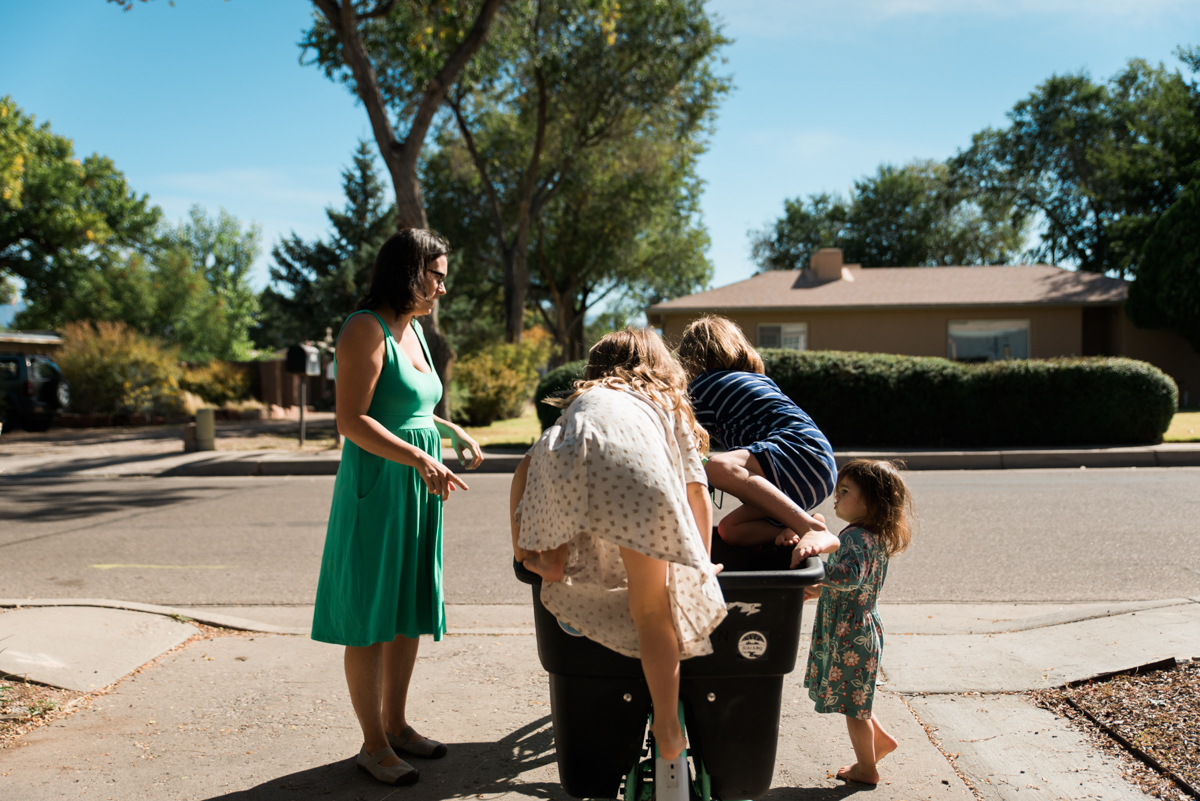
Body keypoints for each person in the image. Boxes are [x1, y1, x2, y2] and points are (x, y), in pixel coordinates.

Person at [311, 229, 484, 787]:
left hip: (418, 481)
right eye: (435, 276)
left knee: (407, 604)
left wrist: (449, 428)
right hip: (381, 483)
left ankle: (399, 725)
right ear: (407, 271)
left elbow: (410, 405)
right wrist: (417, 457)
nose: (440, 287)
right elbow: (352, 419)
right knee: (370, 615)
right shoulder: (365, 327)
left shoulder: (417, 332)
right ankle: (373, 744)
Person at [510, 329, 724, 761]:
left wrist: (521, 546)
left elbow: (525, 470)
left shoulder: (584, 400)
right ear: (662, 368)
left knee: (559, 494)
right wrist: (699, 562)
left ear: (596, 368)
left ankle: (547, 557)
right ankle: (667, 727)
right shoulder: (663, 405)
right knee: (651, 610)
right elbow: (696, 490)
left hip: (565, 460)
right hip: (637, 477)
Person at [676, 315, 840, 566]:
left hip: (798, 452)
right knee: (730, 530)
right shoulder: (751, 380)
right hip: (817, 465)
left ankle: (810, 528)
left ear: (691, 358)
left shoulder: (705, 386)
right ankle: (799, 526)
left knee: (718, 467)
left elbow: (674, 436)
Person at [804, 459, 914, 785]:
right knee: (855, 698)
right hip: (858, 628)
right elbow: (857, 581)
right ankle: (880, 741)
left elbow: (850, 577)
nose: (836, 497)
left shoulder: (854, 537)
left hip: (851, 634)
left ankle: (866, 769)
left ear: (871, 501)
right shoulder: (871, 535)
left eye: (845, 491)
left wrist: (815, 571)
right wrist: (820, 588)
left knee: (855, 709)